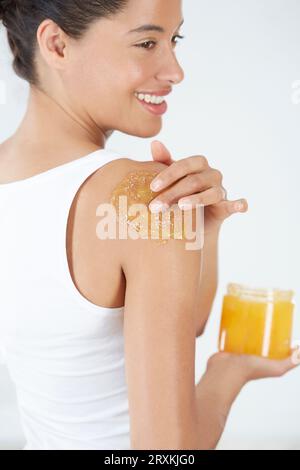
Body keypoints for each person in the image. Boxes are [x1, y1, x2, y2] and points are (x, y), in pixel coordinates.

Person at [0, 0, 299, 450]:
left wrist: (205, 230)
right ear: (57, 45)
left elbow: (177, 324)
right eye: (147, 42)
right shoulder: (143, 194)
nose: (176, 71)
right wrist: (227, 372)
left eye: (173, 40)